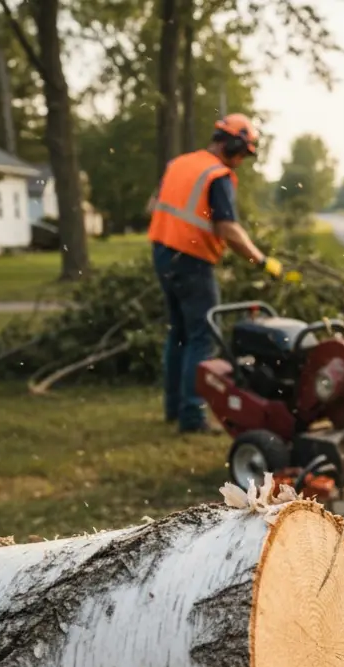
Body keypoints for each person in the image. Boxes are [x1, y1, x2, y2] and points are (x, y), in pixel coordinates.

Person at [148, 113, 282, 433]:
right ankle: (192, 417)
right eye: (242, 153)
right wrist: (261, 260)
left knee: (179, 333)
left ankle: (173, 408)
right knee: (202, 336)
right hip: (191, 260)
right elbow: (227, 229)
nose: (241, 161)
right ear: (232, 144)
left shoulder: (179, 164)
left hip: (162, 253)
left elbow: (152, 206)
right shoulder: (217, 175)